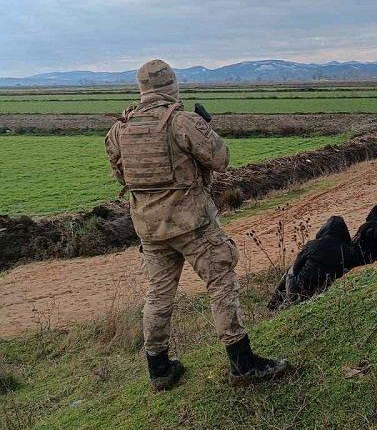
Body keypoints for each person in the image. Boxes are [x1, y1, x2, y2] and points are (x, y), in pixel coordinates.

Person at [105, 59, 287, 391]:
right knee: (221, 282)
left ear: (142, 89)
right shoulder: (181, 121)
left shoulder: (120, 128)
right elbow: (220, 159)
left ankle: (159, 369)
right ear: (171, 86)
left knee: (159, 294)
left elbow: (121, 174)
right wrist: (205, 128)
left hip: (149, 227)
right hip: (192, 224)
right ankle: (242, 362)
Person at [268, 216, 360, 309]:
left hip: (299, 291)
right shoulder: (347, 250)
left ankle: (273, 304)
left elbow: (296, 269)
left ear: (324, 229)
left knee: (290, 269)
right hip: (327, 288)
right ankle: (279, 303)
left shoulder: (312, 245)